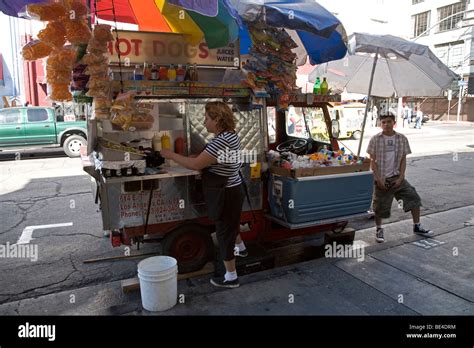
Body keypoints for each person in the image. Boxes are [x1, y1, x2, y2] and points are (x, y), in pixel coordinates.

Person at [161, 101, 246, 289]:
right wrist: (196, 158)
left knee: (224, 233)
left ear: (217, 120)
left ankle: (231, 277)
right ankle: (241, 248)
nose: (204, 121)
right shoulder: (229, 136)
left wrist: (170, 154)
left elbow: (196, 165)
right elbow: (209, 159)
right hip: (233, 189)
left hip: (226, 192)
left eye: (207, 118)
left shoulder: (221, 141)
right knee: (230, 225)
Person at [366, 112, 433, 243]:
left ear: (394, 123)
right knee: (379, 206)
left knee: (413, 198)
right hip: (382, 178)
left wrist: (401, 177)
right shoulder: (375, 139)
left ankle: (417, 226)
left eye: (389, 122)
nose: (386, 124)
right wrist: (378, 179)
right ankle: (379, 229)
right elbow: (372, 161)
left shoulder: (401, 138)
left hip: (397, 177)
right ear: (380, 124)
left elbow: (403, 159)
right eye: (383, 122)